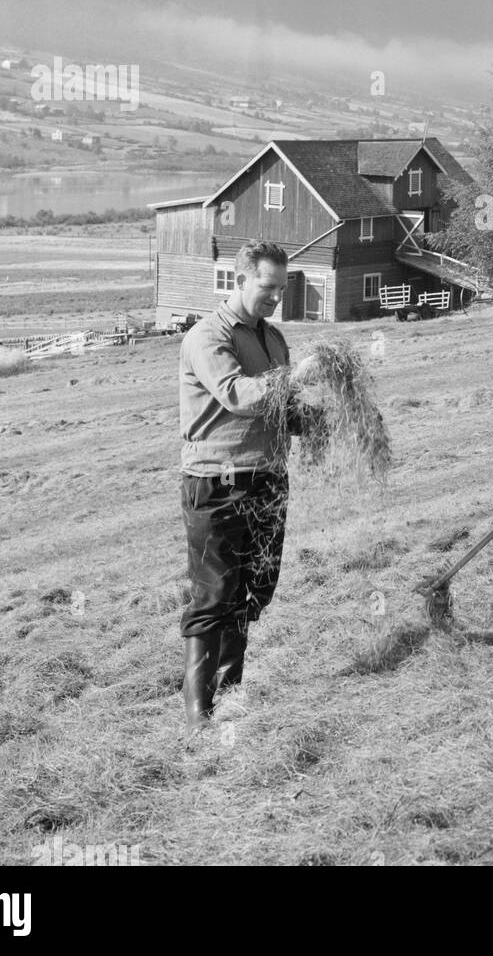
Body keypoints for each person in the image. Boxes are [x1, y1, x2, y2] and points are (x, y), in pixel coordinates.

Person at [177, 239, 292, 732]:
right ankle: (199, 717)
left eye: (282, 289)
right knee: (215, 595)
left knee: (256, 590)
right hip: (217, 482)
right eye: (268, 287)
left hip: (268, 479)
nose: (275, 298)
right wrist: (292, 381)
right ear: (239, 279)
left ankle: (232, 692)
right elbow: (237, 394)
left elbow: (278, 409)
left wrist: (322, 417)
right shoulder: (209, 336)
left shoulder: (274, 339)